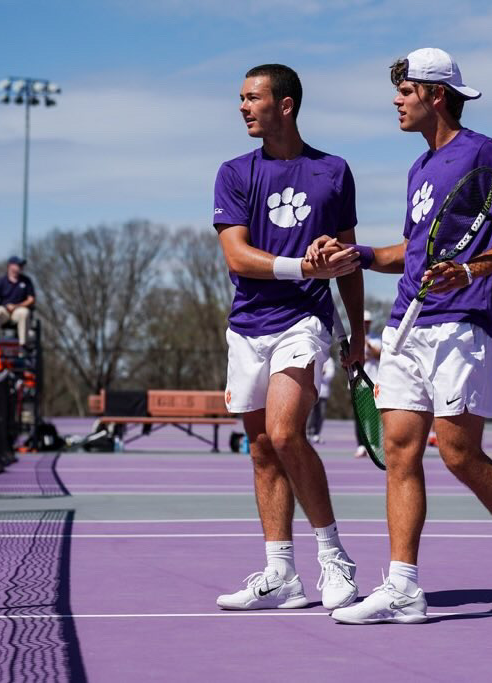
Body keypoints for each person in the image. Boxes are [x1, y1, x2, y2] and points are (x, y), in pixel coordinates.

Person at [309, 48, 492, 625]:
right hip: (408, 324)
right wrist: (363, 254)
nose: (397, 101)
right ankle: (403, 585)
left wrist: (472, 269)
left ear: (436, 94)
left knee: (457, 453)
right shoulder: (418, 169)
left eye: (406, 91)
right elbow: (414, 250)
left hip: (463, 321)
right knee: (400, 452)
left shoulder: (485, 153)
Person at [211, 64, 366, 613]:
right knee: (260, 449)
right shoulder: (233, 172)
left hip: (304, 322)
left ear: (286, 105)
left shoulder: (333, 171)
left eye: (252, 98)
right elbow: (236, 256)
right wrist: (303, 265)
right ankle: (282, 574)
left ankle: (334, 559)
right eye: (241, 98)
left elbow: (348, 261)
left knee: (284, 433)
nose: (243, 107)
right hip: (246, 326)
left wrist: (357, 331)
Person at [354, 309, 382, 458]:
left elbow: (379, 355)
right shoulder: (352, 337)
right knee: (359, 415)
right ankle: (361, 445)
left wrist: (367, 344)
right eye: (363, 322)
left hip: (373, 381)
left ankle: (375, 444)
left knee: (373, 415)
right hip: (357, 382)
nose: (365, 325)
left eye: (367, 323)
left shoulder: (377, 339)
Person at [307, 355, 336, 444]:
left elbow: (330, 374)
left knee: (321, 413)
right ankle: (307, 432)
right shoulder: (313, 357)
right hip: (312, 390)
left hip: (323, 391)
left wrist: (320, 373)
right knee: (310, 413)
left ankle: (317, 434)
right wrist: (320, 372)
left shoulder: (329, 360)